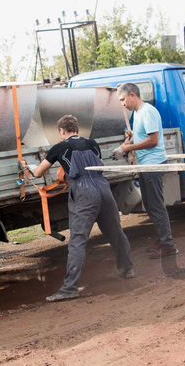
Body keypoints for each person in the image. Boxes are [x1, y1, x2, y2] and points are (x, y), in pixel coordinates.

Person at [26, 114, 135, 302]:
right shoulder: (92, 143)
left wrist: (29, 166)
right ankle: (128, 269)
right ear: (76, 129)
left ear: (61, 132)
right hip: (103, 188)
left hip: (84, 193)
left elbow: (37, 173)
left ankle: (70, 288)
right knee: (115, 232)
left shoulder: (59, 148)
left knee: (78, 240)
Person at [117, 82, 178, 259]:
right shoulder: (137, 114)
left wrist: (129, 148)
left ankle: (168, 246)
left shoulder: (147, 111)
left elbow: (153, 141)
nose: (122, 104)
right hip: (145, 165)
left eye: (123, 99)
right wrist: (127, 143)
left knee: (157, 206)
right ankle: (162, 239)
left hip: (153, 164)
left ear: (132, 95)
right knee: (150, 206)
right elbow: (141, 136)